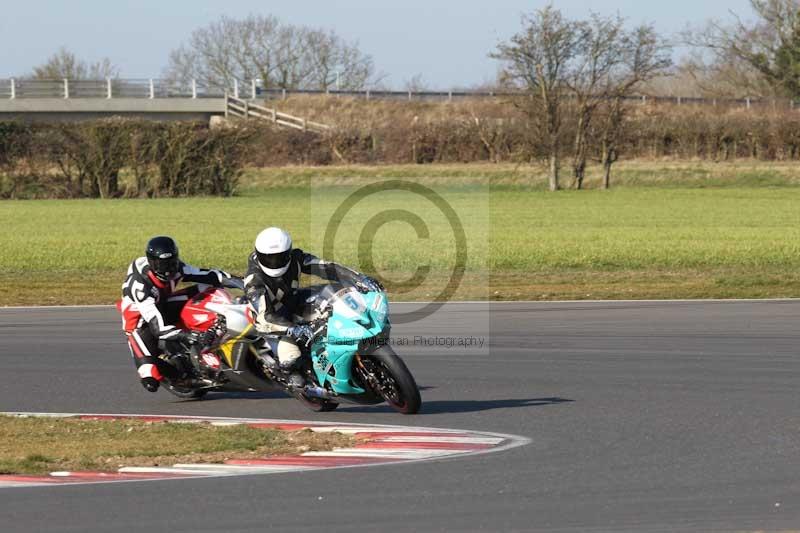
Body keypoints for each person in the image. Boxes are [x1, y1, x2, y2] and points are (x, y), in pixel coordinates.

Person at [244, 227, 383, 381]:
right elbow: (266, 317)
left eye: (280, 257)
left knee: (333, 295)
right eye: (269, 258)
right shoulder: (253, 281)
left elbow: (327, 268)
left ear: (288, 253)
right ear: (259, 255)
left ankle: (350, 339)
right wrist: (293, 330)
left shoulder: (296, 258)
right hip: (274, 323)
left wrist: (359, 279)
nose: (274, 263)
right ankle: (303, 382)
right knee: (291, 361)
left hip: (294, 301)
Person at [118, 236, 231, 392]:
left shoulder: (178, 267)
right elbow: (158, 327)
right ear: (152, 263)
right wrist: (187, 335)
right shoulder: (141, 287)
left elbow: (209, 275)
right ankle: (180, 377)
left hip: (163, 302)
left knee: (207, 289)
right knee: (149, 378)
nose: (167, 268)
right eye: (161, 264)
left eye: (171, 263)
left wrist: (241, 281)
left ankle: (216, 329)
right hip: (141, 322)